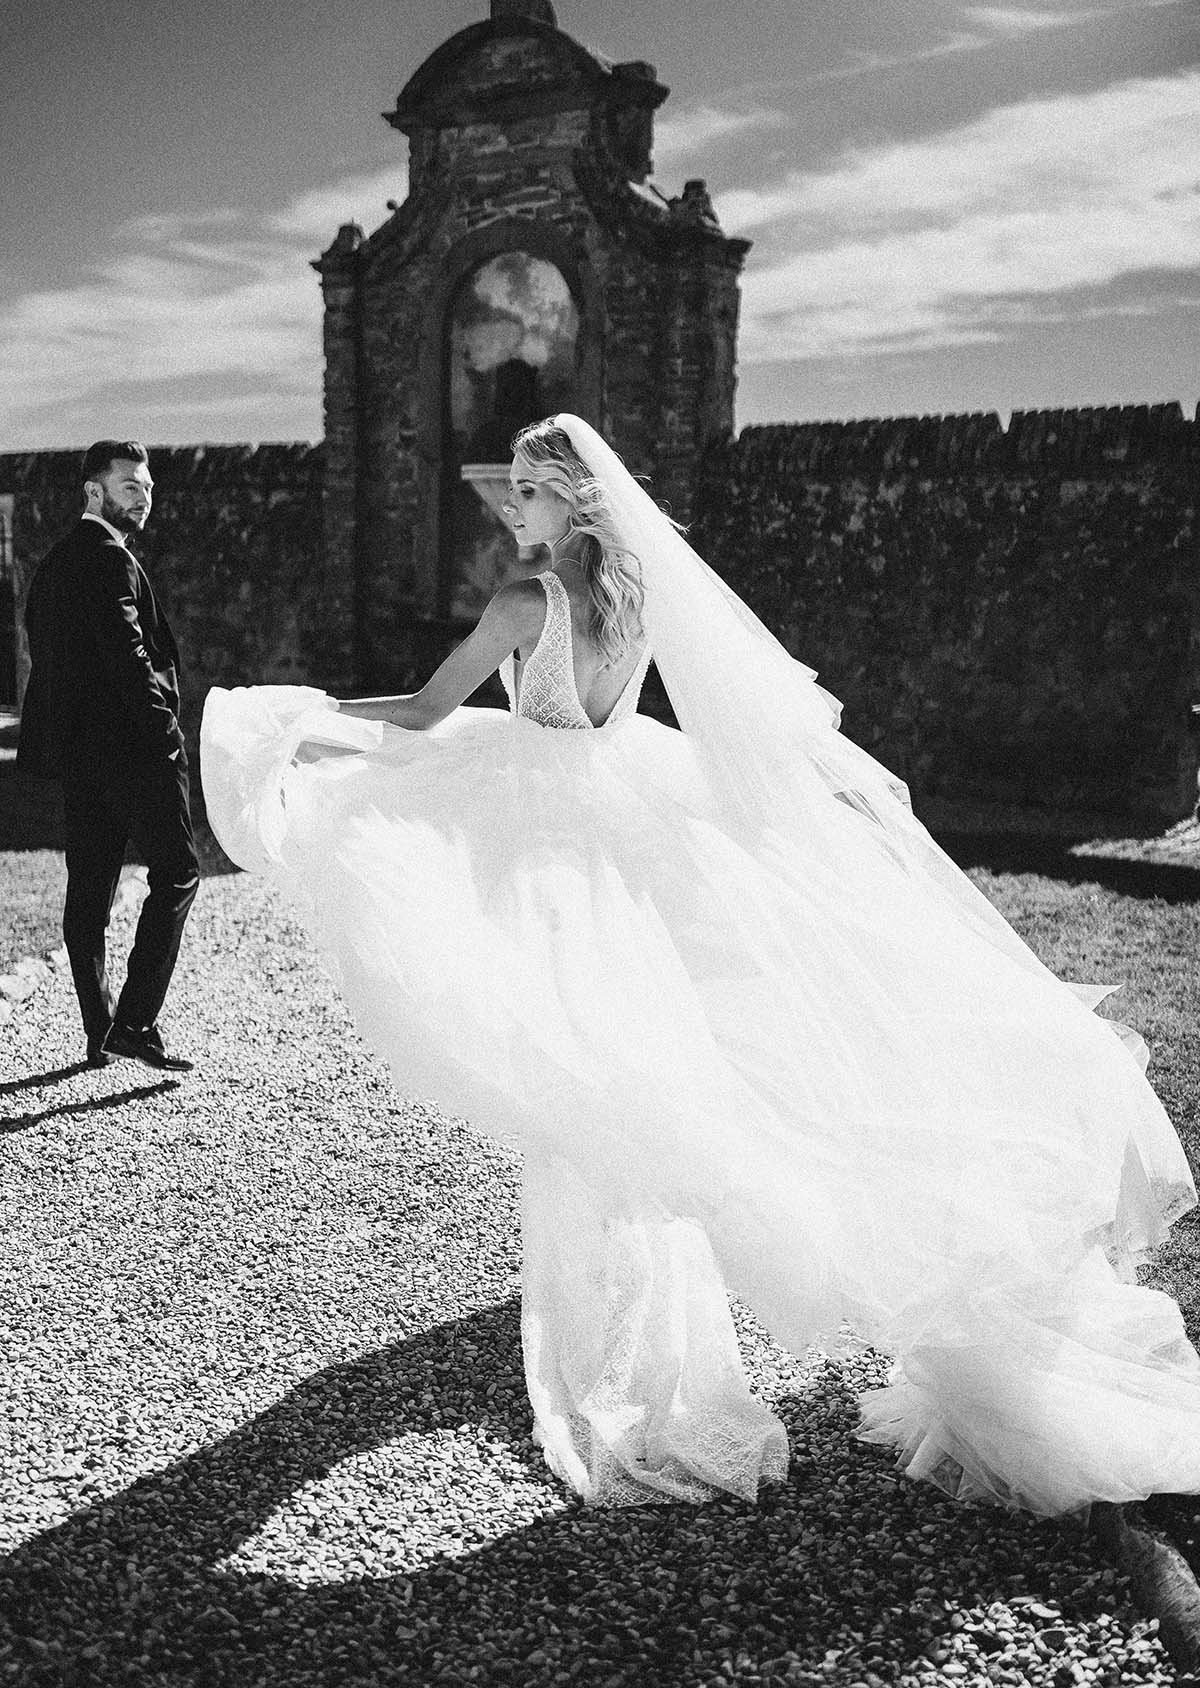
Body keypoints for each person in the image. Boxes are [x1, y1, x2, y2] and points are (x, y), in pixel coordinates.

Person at [201, 414, 1200, 1514]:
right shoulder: (638, 593)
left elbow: (430, 711)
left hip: (550, 827)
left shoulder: (527, 600)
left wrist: (306, 720)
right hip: (631, 805)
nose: (512, 506)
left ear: (576, 499)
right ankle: (641, 1284)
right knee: (655, 1050)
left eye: (529, 490)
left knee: (567, 1057)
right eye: (516, 490)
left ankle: (631, 1339)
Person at [18, 440, 199, 1072]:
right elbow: (128, 655)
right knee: (178, 873)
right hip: (136, 752)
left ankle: (101, 1029)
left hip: (82, 759)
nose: (144, 497)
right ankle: (136, 1023)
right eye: (129, 486)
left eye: (147, 487)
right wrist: (165, 731)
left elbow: (47, 658)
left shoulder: (53, 565)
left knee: (89, 892)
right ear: (94, 492)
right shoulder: (109, 561)